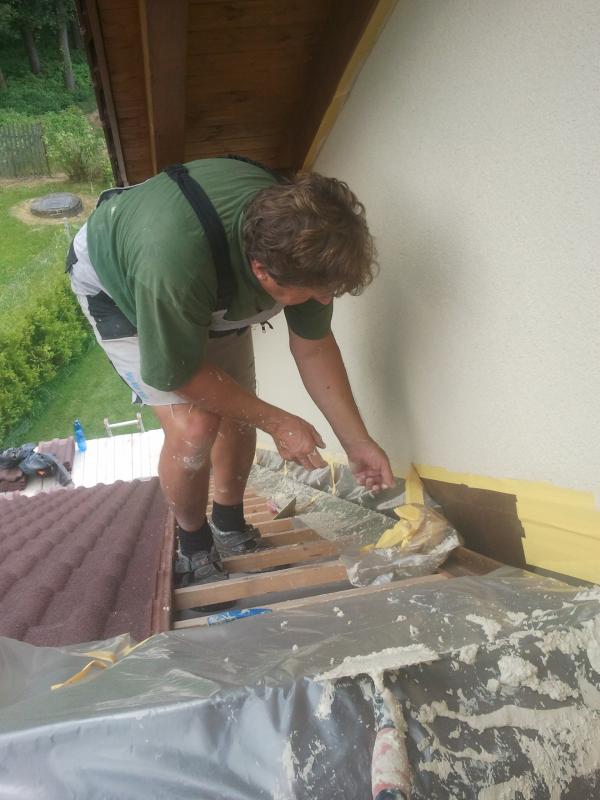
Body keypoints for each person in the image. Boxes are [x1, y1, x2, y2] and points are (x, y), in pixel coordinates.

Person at [67, 156, 393, 587]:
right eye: (312, 293)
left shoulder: (307, 242)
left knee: (239, 413)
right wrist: (279, 421)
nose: (321, 299)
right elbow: (178, 374)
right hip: (119, 287)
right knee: (195, 429)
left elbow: (314, 348)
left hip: (198, 275)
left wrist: (357, 442)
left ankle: (229, 523)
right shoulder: (172, 265)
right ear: (261, 271)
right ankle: (194, 544)